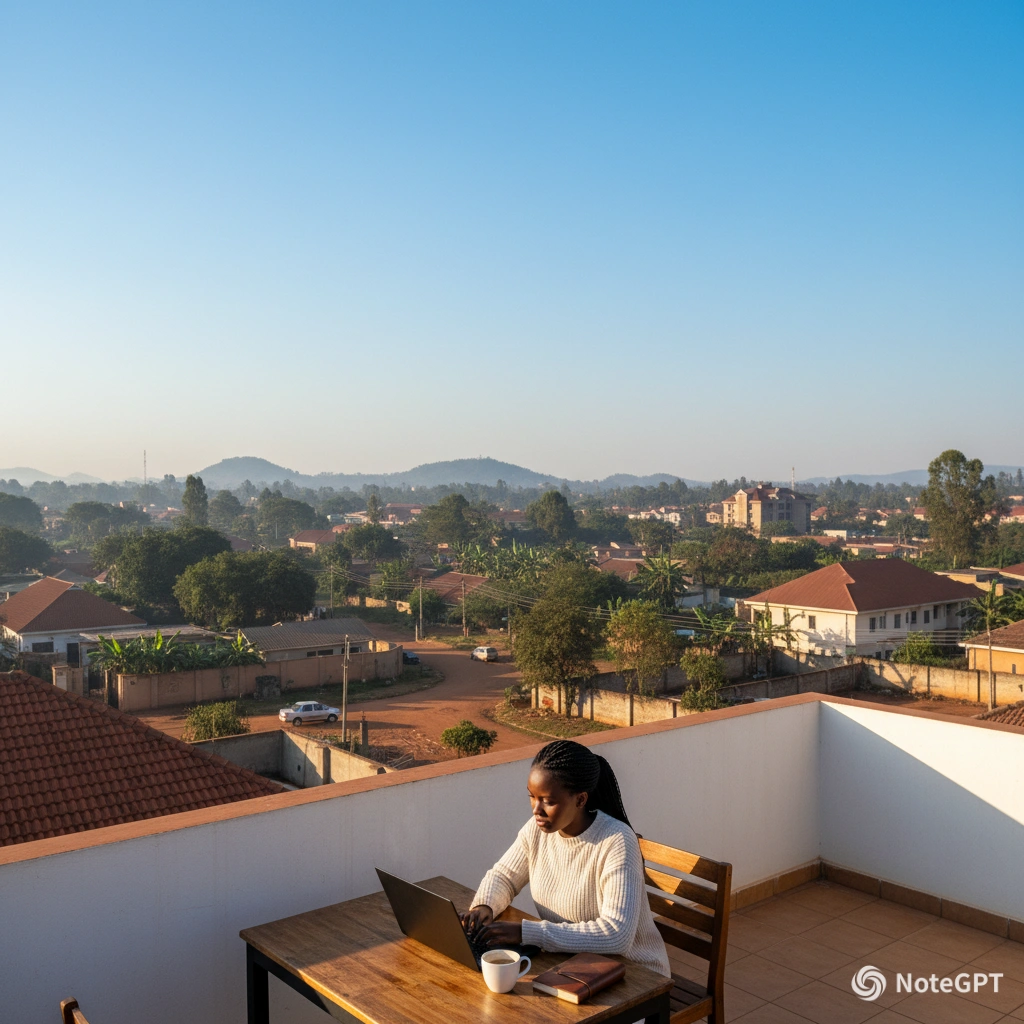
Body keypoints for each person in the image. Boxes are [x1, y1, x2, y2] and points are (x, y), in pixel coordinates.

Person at [461, 739, 671, 977]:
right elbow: (504, 876)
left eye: (548, 801)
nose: (536, 809)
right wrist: (484, 905)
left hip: (636, 977)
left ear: (581, 799)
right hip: (574, 965)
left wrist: (526, 933)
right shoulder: (537, 830)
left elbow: (616, 935)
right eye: (532, 796)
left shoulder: (616, 841)